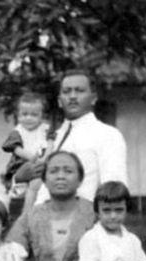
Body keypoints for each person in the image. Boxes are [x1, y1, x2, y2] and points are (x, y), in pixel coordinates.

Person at [30, 69, 127, 206]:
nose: (72, 96)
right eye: (66, 91)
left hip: (84, 215)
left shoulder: (108, 135)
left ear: (93, 98)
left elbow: (114, 188)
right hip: (42, 215)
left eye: (79, 91)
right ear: (59, 101)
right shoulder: (52, 138)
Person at [2, 92, 51, 220]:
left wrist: (45, 158)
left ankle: (28, 213)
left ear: (42, 116)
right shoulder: (18, 131)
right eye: (24, 114)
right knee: (18, 193)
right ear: (18, 115)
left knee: (36, 186)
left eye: (34, 115)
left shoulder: (45, 129)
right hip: (21, 165)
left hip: (41, 165)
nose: (29, 118)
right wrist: (31, 157)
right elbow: (15, 148)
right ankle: (25, 215)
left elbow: (51, 143)